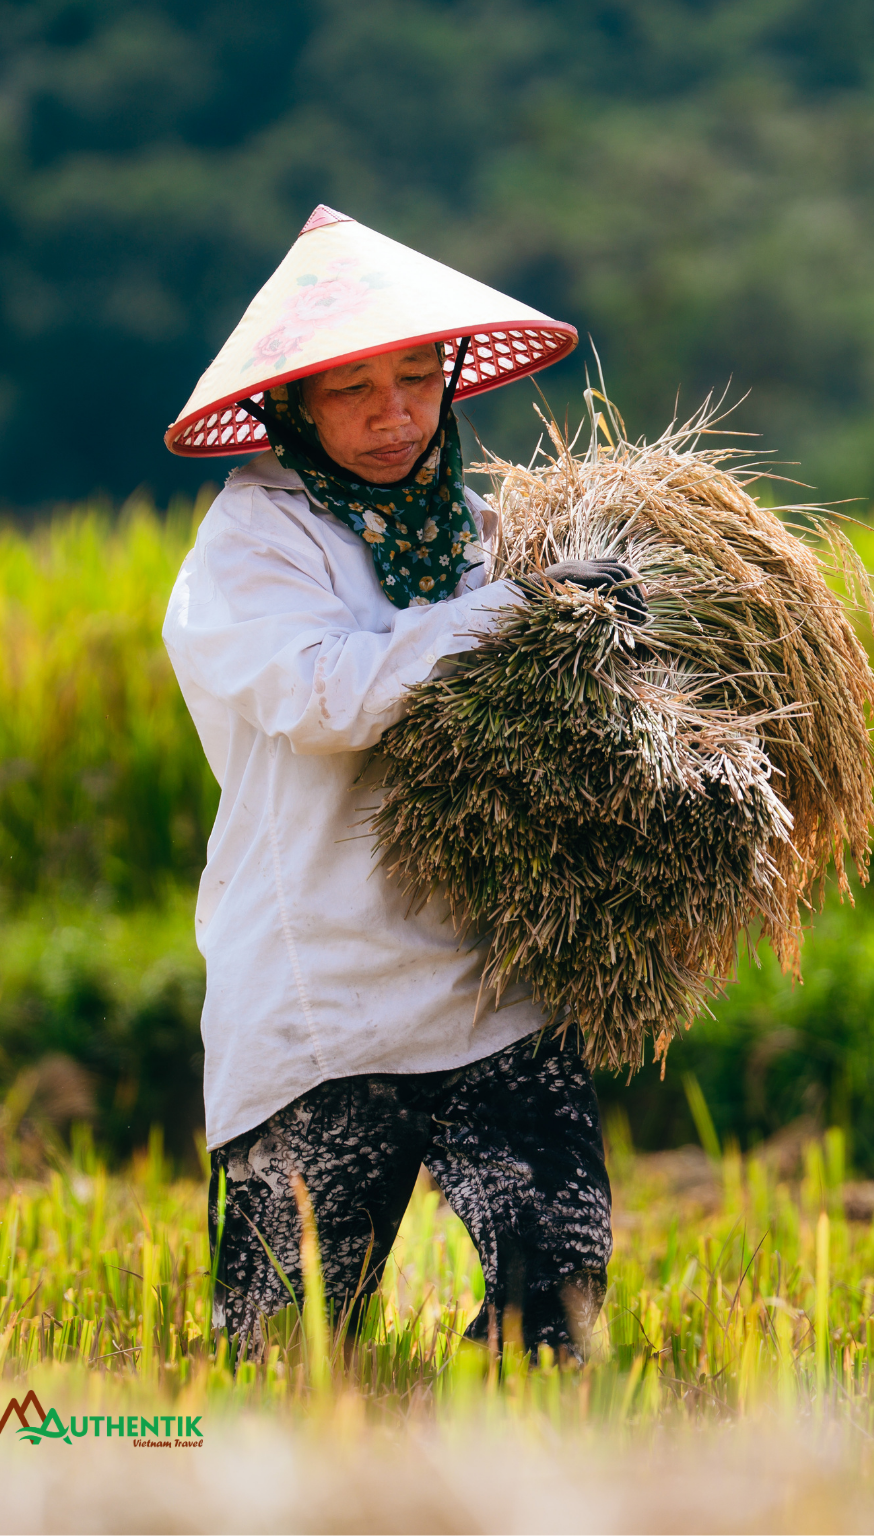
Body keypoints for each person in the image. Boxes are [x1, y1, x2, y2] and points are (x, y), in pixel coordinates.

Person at [161, 205, 630, 1360]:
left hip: (487, 983)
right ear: (291, 408)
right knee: (287, 1351)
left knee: (556, 1293)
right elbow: (327, 699)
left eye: (417, 377)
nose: (394, 415)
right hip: (321, 995)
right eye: (354, 389)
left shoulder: (487, 537)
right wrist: (524, 613)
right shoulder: (255, 547)